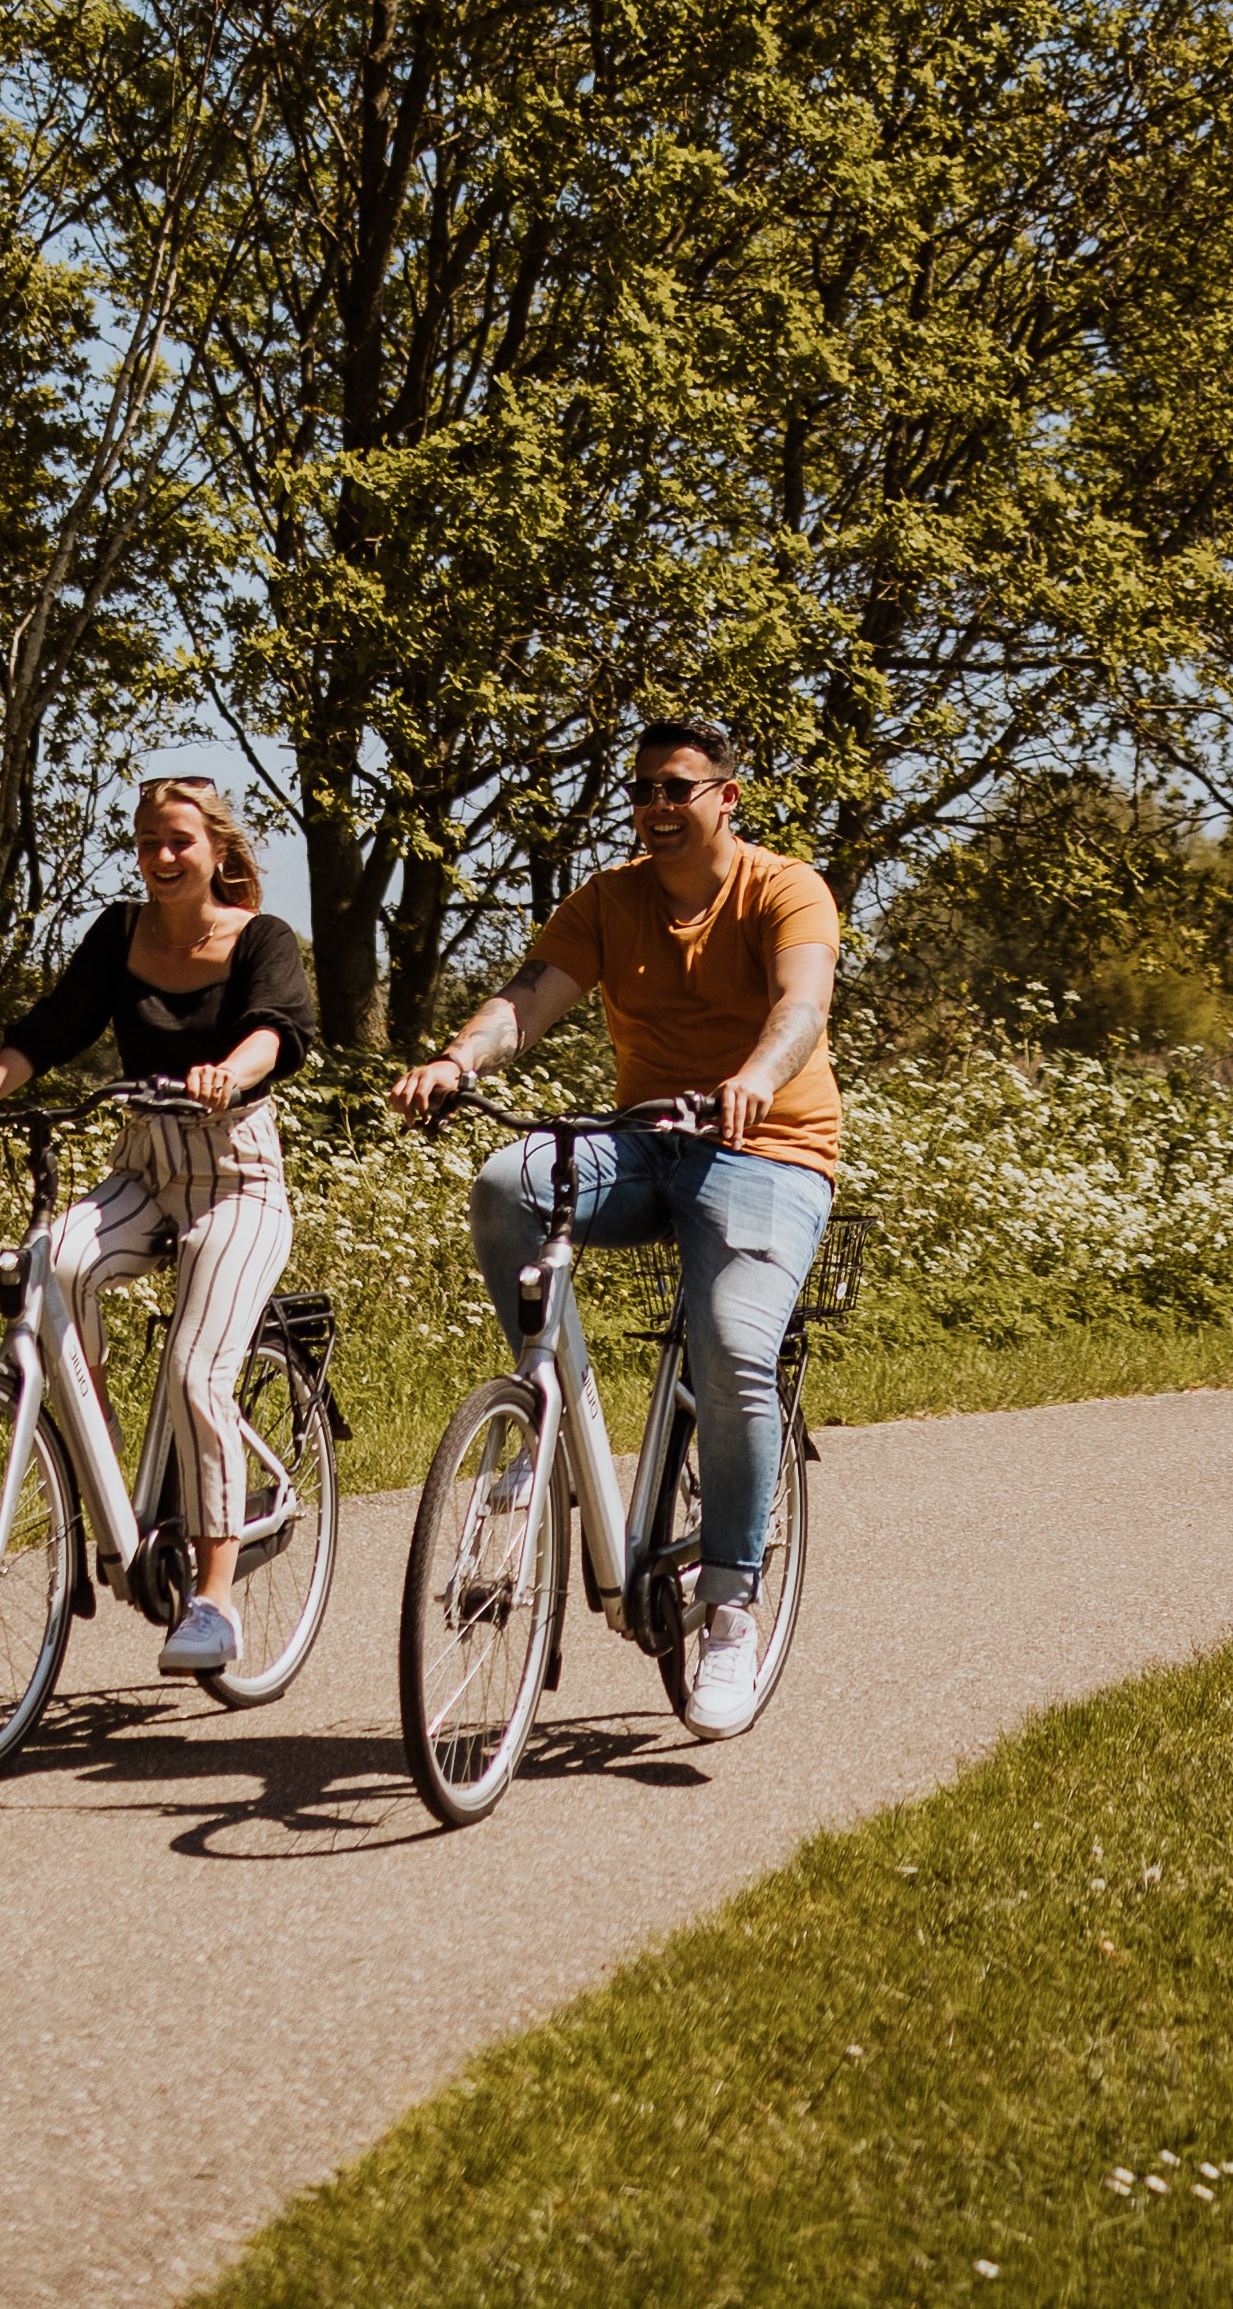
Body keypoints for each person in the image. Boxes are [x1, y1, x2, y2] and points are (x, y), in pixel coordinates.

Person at [390, 717, 841, 1743]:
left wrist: (754, 1080)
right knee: (509, 1181)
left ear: (727, 796)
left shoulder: (784, 887)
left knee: (733, 1347)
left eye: (677, 788)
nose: (655, 806)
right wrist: (459, 1062)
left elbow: (801, 1006)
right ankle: (552, 1411)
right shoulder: (610, 899)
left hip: (770, 1149)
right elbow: (529, 999)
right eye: (642, 789)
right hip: (647, 1142)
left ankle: (730, 1600)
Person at [0, 776, 318, 1678]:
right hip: (144, 1168)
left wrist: (229, 1072)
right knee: (50, 1261)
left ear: (216, 851)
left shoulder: (260, 939)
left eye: (179, 842)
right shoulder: (118, 934)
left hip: (237, 1178)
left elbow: (277, 1031)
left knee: (197, 1373)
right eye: (147, 843)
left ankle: (214, 1599)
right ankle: (107, 1466)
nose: (161, 859)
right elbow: (47, 1031)